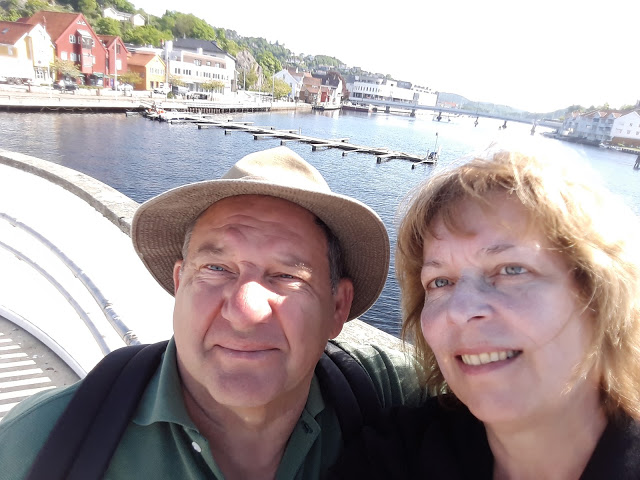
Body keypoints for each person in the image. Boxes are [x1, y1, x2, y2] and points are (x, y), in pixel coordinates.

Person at [0, 147, 426, 479]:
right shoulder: (39, 445)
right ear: (180, 282)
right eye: (216, 268)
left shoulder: (384, 391)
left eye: (285, 275)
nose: (244, 311)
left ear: (338, 307)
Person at [332, 146, 640, 479]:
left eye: (511, 270)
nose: (461, 310)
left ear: (599, 297)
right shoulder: (393, 457)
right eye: (441, 281)